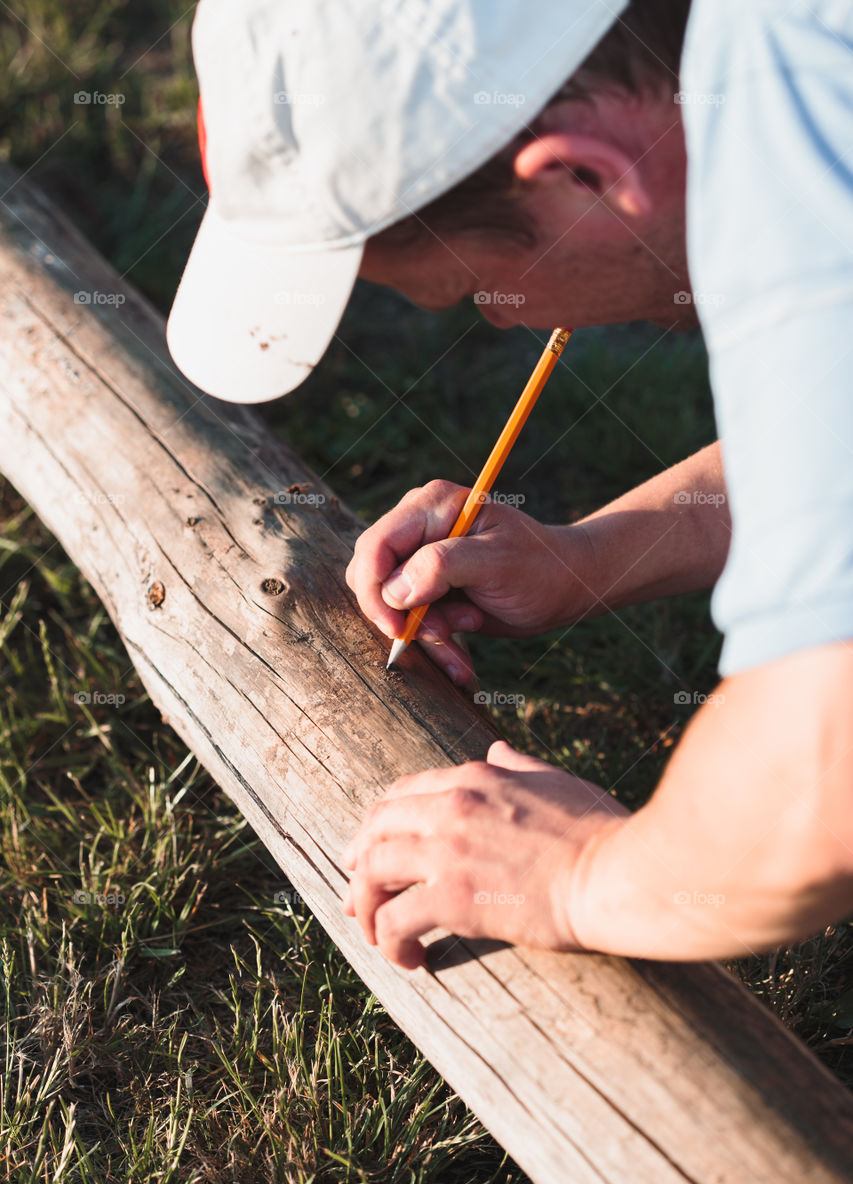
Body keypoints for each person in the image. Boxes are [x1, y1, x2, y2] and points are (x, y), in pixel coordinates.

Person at [167, 0, 853, 971]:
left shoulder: (804, 127)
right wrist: (591, 555)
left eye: (481, 291)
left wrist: (585, 873)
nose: (500, 321)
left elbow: (821, 768)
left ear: (580, 174)